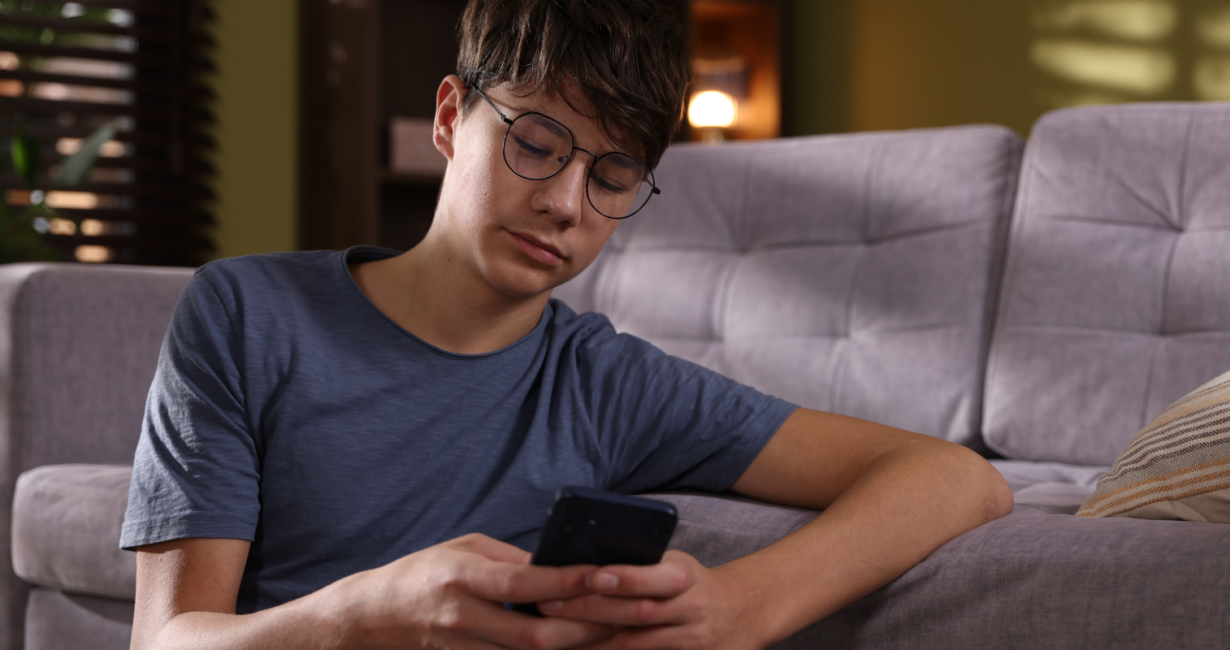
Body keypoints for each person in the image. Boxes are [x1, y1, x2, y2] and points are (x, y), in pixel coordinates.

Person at [122, 1, 1013, 648]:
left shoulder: (606, 383)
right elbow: (167, 641)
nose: (562, 204)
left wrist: (745, 605)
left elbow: (954, 479)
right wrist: (366, 613)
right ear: (448, 117)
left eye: (613, 176)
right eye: (537, 144)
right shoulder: (247, 314)